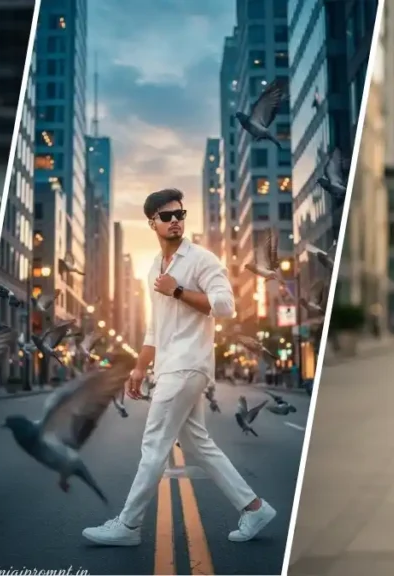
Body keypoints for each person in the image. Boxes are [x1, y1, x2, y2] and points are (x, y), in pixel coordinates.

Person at [82, 188, 276, 546]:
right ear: (152, 223)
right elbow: (155, 326)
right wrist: (140, 369)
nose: (175, 221)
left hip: (189, 363)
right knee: (197, 444)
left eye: (180, 214)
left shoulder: (202, 260)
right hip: (168, 366)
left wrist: (178, 291)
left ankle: (128, 526)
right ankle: (254, 507)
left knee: (155, 442)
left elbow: (224, 306)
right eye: (167, 216)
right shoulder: (154, 268)